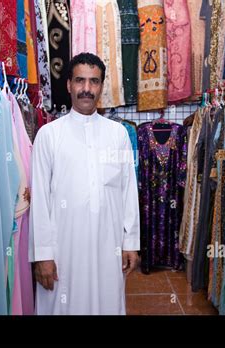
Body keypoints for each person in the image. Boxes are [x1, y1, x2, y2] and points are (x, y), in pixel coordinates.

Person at [29, 53, 140, 315]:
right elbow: (40, 202)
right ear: (68, 85)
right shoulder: (49, 135)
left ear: (102, 86)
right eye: (80, 81)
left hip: (108, 245)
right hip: (62, 250)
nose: (87, 89)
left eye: (94, 82)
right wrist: (42, 255)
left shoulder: (118, 134)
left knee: (107, 303)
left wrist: (130, 242)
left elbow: (128, 192)